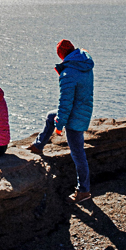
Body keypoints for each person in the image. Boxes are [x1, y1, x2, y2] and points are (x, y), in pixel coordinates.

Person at [30, 39, 94, 202]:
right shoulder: (84, 64)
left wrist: (60, 126)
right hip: (83, 110)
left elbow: (66, 103)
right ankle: (38, 145)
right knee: (51, 116)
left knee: (78, 154)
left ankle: (83, 191)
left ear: (61, 54)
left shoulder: (68, 73)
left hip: (75, 117)